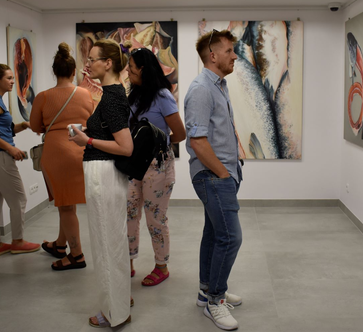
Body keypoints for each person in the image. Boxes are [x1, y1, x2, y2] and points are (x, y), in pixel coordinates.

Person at [69, 39, 133, 328]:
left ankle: (114, 312)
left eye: (93, 59)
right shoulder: (112, 95)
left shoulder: (112, 98)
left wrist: (88, 140)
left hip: (104, 176)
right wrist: (88, 133)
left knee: (106, 244)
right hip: (104, 174)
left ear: (108, 63)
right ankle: (119, 302)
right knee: (111, 241)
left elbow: (126, 147)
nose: (88, 64)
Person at [184, 30, 244, 331]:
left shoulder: (218, 85)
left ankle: (205, 291)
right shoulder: (201, 89)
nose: (234, 56)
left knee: (214, 233)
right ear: (213, 55)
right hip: (212, 175)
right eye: (229, 50)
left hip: (222, 174)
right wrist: (222, 173)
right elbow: (197, 141)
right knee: (230, 237)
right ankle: (215, 300)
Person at [29, 43, 94, 271]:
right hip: (81, 151)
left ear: (54, 72)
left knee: (65, 205)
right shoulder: (85, 93)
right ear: (74, 72)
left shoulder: (43, 97)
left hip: (57, 153)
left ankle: (76, 255)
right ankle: (59, 244)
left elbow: (35, 126)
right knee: (67, 203)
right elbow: (91, 120)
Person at [126, 48, 186, 287]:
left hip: (157, 165)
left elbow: (179, 133)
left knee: (155, 217)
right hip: (133, 164)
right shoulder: (134, 95)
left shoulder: (162, 95)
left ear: (142, 69)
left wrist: (155, 143)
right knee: (129, 212)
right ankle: (128, 261)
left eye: (131, 67)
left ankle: (161, 266)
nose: (128, 71)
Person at [0, 63, 40, 257]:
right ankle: (18, 241)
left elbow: (3, 130)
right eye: (9, 78)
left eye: (13, 78)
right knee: (19, 199)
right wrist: (10, 148)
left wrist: (24, 125)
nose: (13, 81)